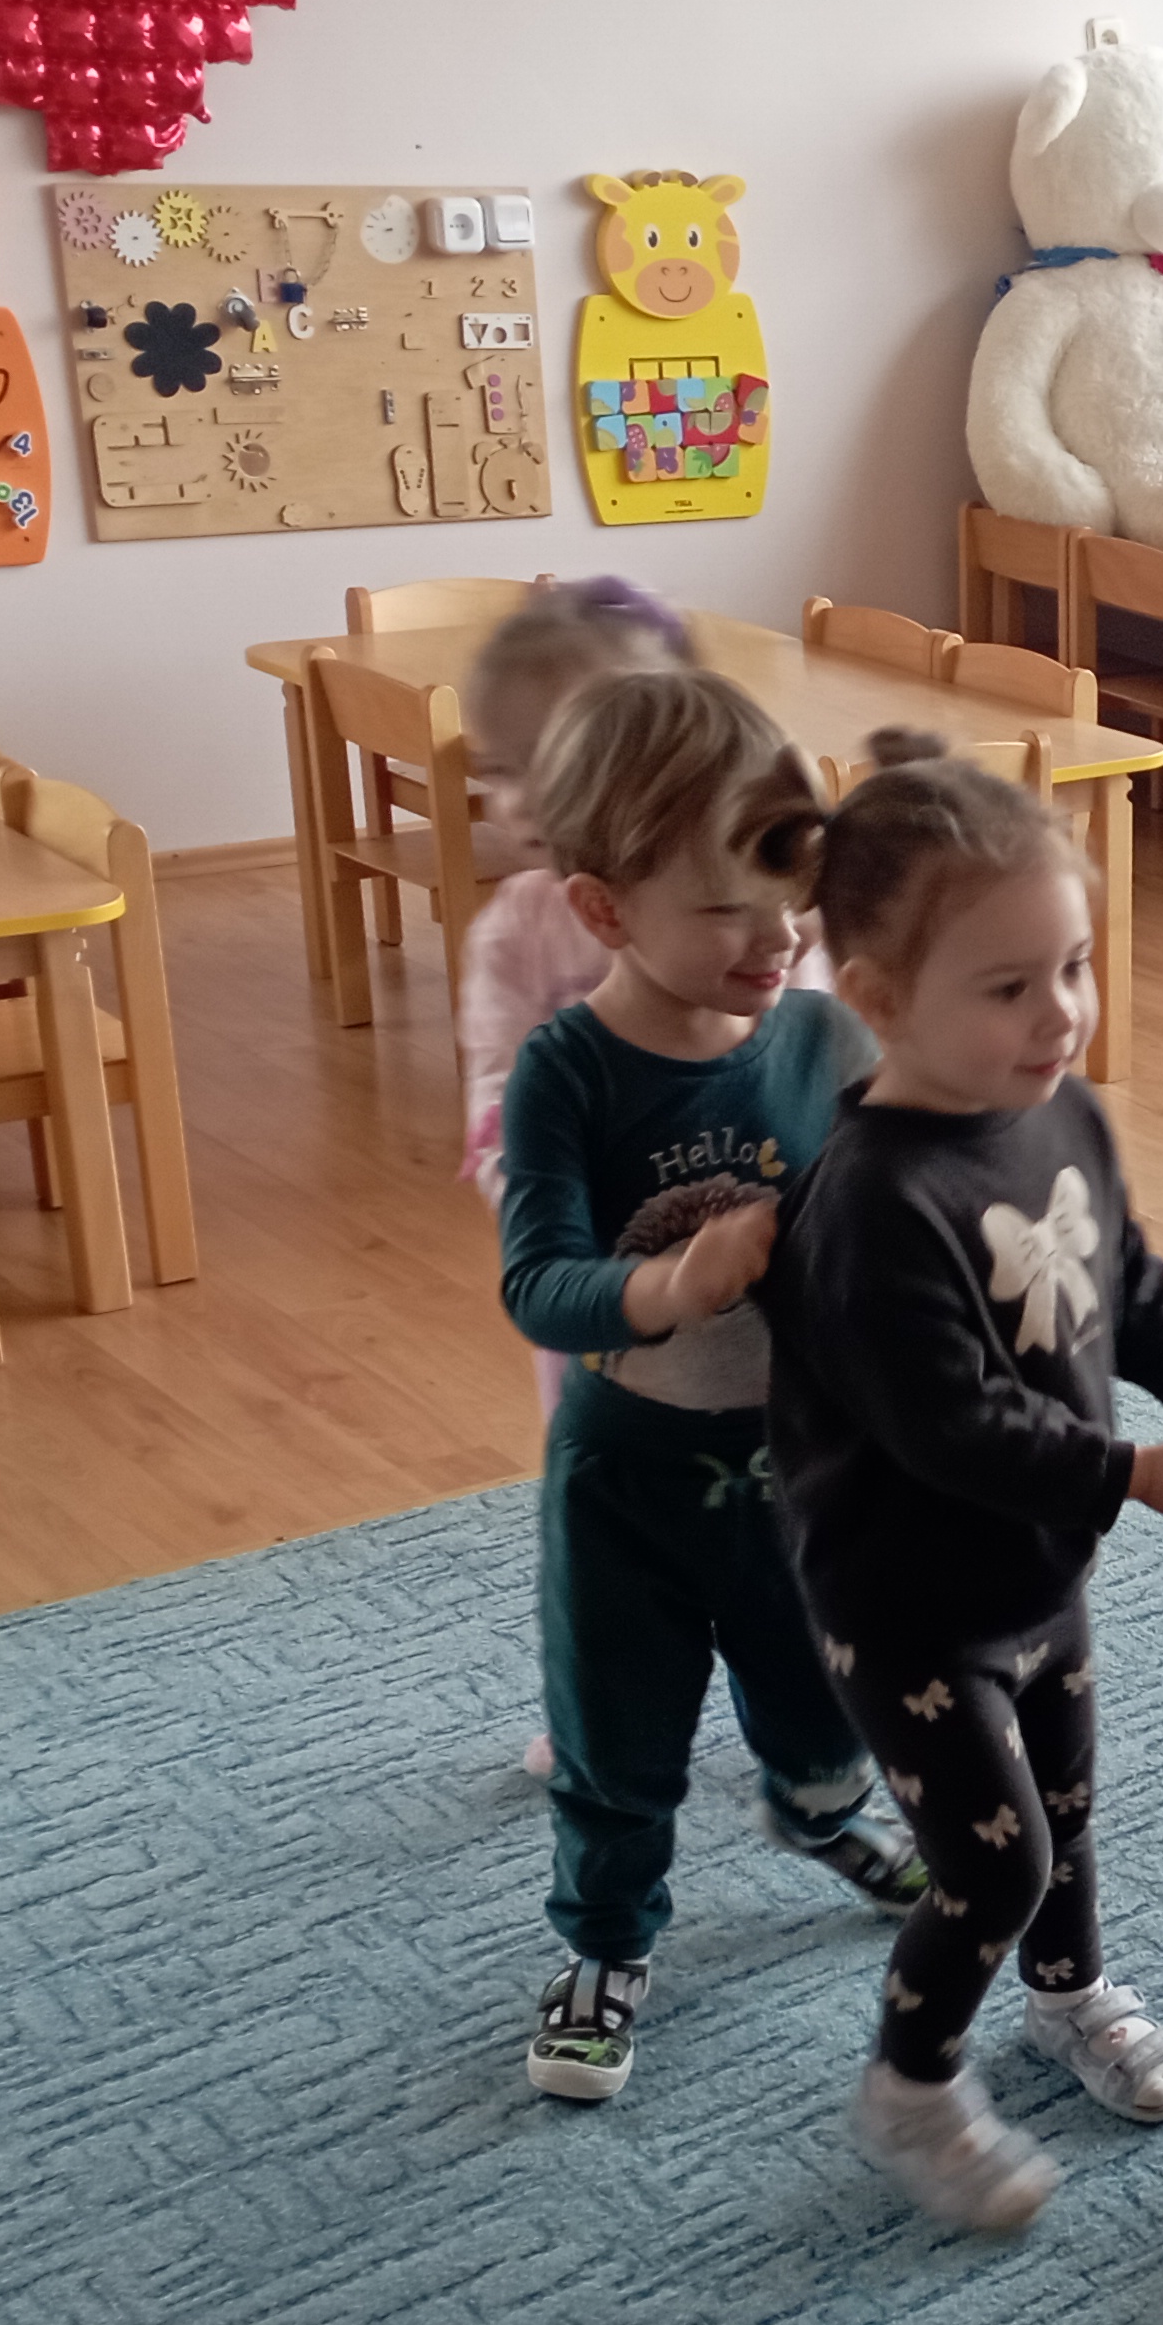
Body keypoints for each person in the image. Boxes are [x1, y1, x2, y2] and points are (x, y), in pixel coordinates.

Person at [760, 731, 1163, 2231]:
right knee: (991, 1864)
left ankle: (1068, 1994)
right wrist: (1135, 1472)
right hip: (906, 1604)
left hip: (1037, 1573)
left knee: (1069, 1810)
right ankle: (909, 2087)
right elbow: (951, 1427)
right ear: (877, 997)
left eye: (1075, 967)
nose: (1061, 1014)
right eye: (1009, 986)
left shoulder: (1064, 1111)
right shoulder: (871, 1205)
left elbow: (1127, 1286)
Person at [491, 668, 925, 2106]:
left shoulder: (825, 1040)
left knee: (825, 1707)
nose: (779, 933)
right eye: (728, 906)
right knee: (617, 1742)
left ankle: (819, 1813)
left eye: (792, 888)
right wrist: (669, 1287)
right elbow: (537, 1282)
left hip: (806, 1470)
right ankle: (605, 1945)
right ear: (605, 910)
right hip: (628, 1478)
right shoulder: (569, 1074)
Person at [454, 577, 692, 1784]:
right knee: (601, 1514)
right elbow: (497, 1103)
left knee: (789, 1501)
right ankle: (604, 1707)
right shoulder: (520, 932)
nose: (517, 800)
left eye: (552, 760)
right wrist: (547, 1212)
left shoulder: (731, 902)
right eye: (498, 769)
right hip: (597, 1294)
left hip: (759, 1284)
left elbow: (812, 1064)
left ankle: (817, 1690)